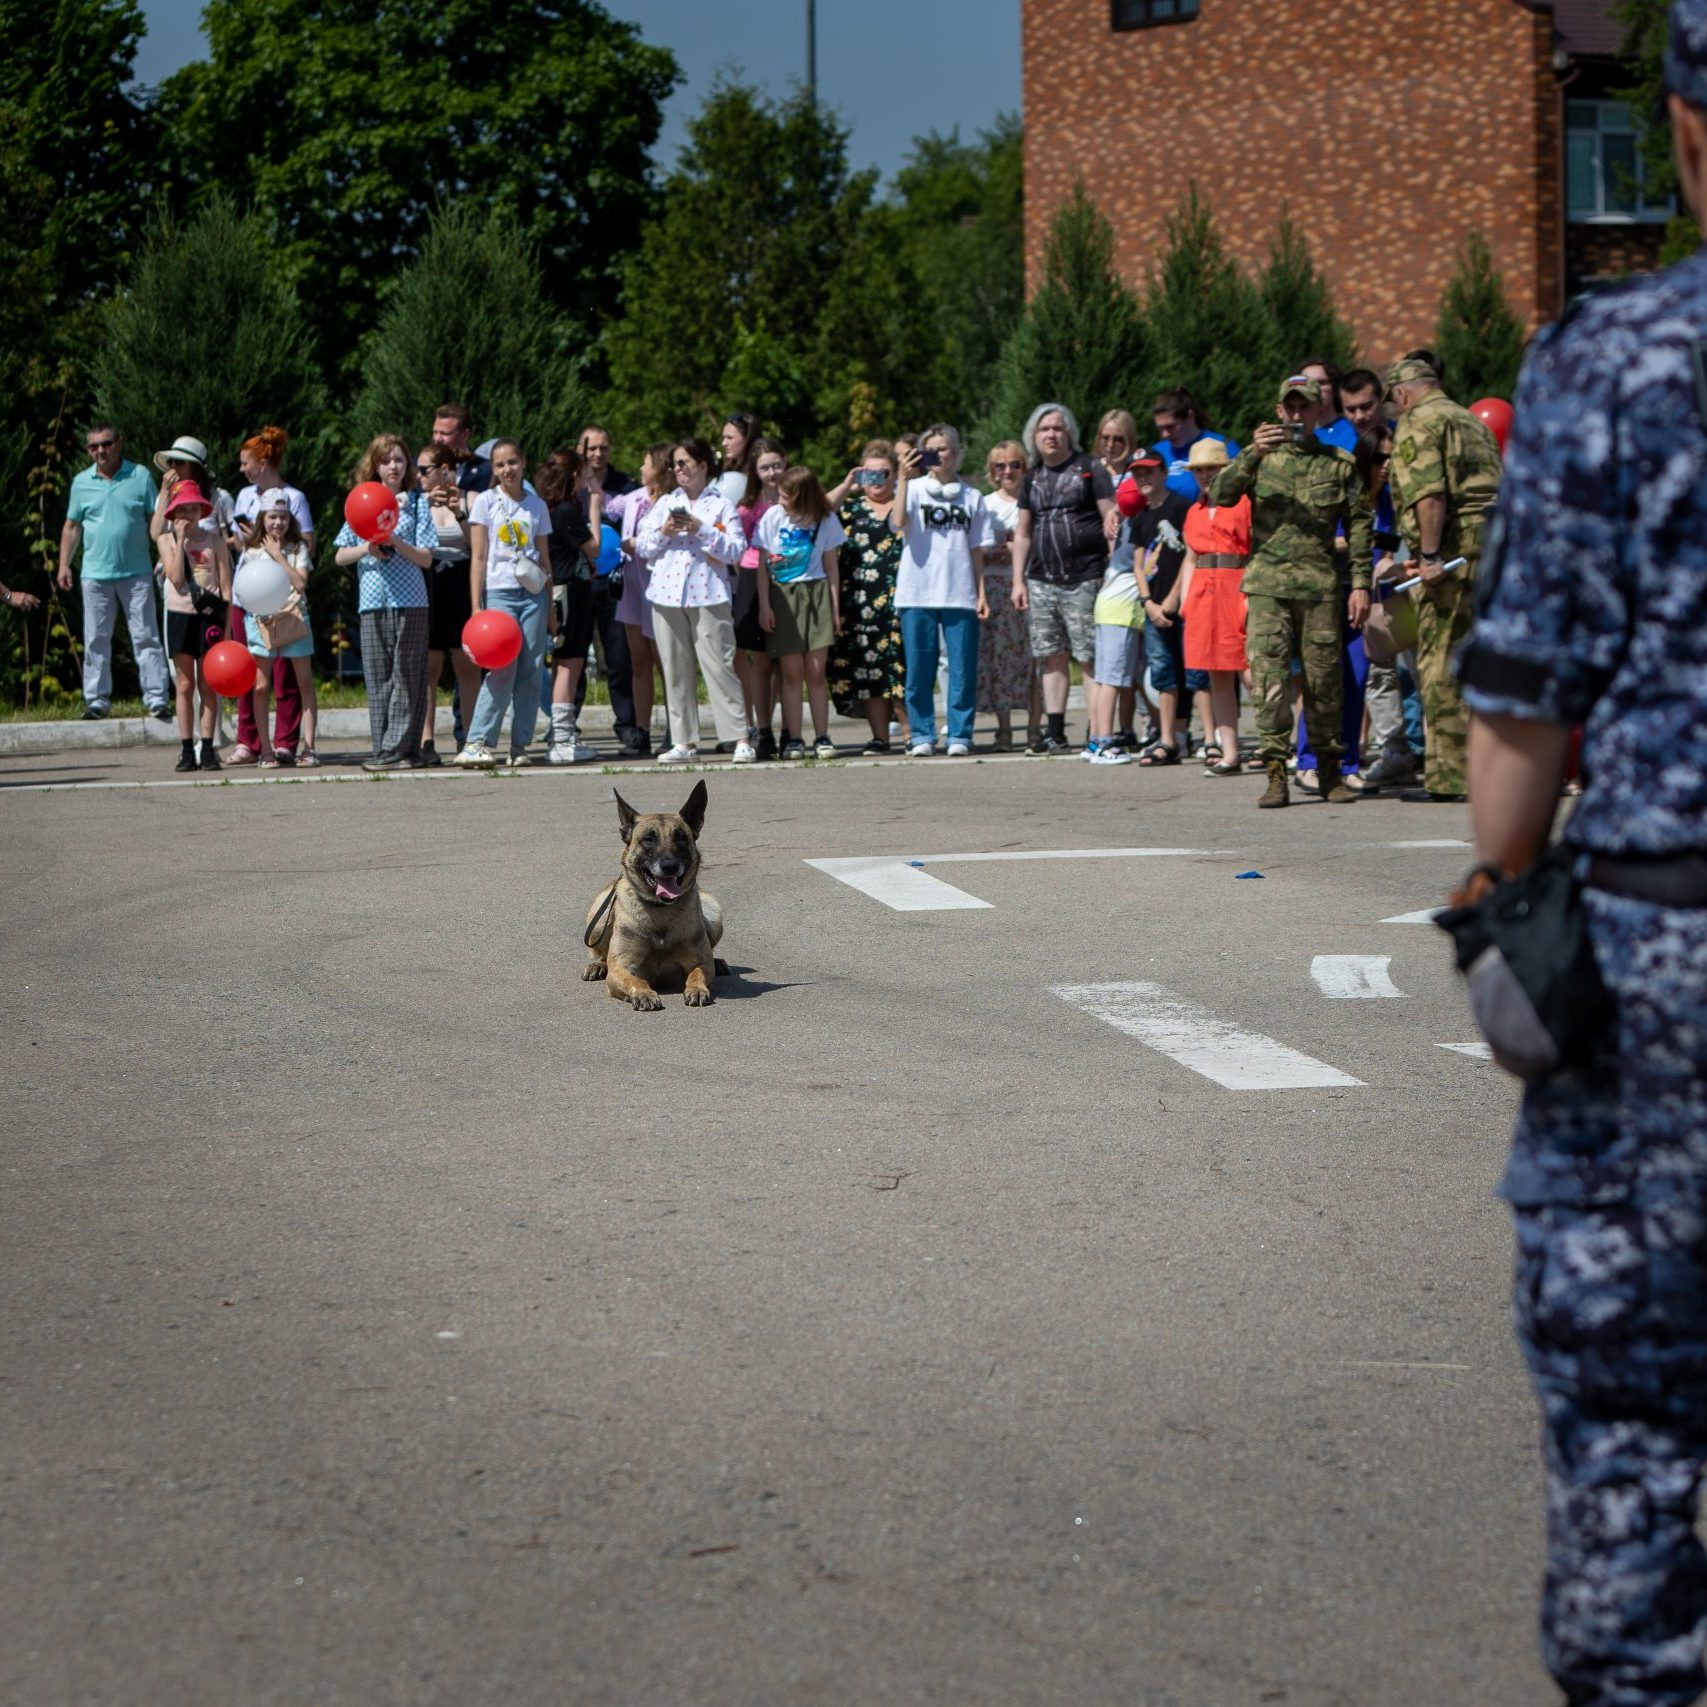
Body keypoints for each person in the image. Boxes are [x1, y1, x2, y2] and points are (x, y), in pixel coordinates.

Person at [1451, 19, 1707, 1695]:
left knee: (1629, 1417)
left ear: (1683, 124)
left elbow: (1516, 736)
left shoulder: (1616, 363)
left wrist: (1497, 879)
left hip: (1670, 948)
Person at [1212, 374, 1373, 807]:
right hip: (1268, 587)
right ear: (1280, 411)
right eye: (1291, 407)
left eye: (1306, 407)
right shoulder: (1261, 458)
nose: (1298, 414)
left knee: (1324, 683)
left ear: (1320, 411)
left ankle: (1328, 770)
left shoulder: (1338, 462)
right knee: (1269, 682)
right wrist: (1250, 453)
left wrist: (1360, 583)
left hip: (1320, 588)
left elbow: (1360, 524)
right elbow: (1220, 495)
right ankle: (1275, 773)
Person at [1386, 352, 1503, 802]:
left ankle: (1451, 778)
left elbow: (1429, 494)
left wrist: (1430, 554)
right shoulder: (1472, 421)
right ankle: (1487, 771)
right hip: (1491, 545)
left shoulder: (1421, 421)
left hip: (1454, 550)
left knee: (1441, 662)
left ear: (1402, 392)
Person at [634, 437, 751, 765]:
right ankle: (683, 740)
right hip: (667, 596)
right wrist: (666, 531)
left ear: (702, 466)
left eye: (684, 462)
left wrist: (701, 528)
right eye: (675, 464)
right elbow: (644, 547)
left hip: (709, 593)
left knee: (720, 666)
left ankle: (739, 736)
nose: (678, 469)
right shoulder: (665, 503)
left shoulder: (720, 504)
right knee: (675, 669)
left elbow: (736, 549)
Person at [1010, 402, 1116, 754]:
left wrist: (1114, 570)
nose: (1051, 435)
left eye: (1057, 428)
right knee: (1051, 656)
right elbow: (1023, 532)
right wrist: (1018, 580)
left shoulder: (1090, 469)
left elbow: (1110, 521)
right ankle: (1054, 731)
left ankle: (1097, 730)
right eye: (1044, 430)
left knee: (1088, 657)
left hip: (1085, 577)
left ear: (1069, 432)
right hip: (1041, 579)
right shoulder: (1031, 478)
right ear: (1033, 437)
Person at [891, 424, 996, 758]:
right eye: (931, 450)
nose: (939, 456)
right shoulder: (913, 488)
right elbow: (896, 523)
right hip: (916, 592)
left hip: (959, 591)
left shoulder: (972, 497)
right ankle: (921, 733)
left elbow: (977, 549)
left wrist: (981, 592)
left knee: (962, 667)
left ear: (957, 453)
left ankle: (960, 734)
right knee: (919, 667)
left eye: (945, 449)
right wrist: (904, 478)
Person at [57, 425, 171, 723]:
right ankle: (96, 701)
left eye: (105, 444)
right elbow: (72, 526)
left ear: (118, 444)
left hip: (137, 573)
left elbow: (155, 519)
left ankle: (157, 699)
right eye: (92, 447)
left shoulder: (140, 475)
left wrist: (165, 554)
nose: (99, 451)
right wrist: (63, 564)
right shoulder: (82, 482)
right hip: (95, 574)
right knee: (95, 639)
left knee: (146, 636)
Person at [334, 434, 435, 772]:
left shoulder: (418, 504)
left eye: (399, 460)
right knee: (378, 677)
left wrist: (395, 540)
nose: (393, 466)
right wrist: (368, 547)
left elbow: (426, 558)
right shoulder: (361, 501)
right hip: (373, 600)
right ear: (375, 465)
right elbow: (339, 555)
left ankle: (402, 748)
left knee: (408, 675)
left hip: (411, 600)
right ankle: (383, 748)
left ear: (407, 465)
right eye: (386, 460)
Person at [457, 439, 553, 768]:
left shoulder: (537, 506)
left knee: (531, 669)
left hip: (533, 594)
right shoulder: (485, 502)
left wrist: (551, 605)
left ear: (523, 463)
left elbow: (544, 558)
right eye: (499, 465)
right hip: (499, 592)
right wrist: (476, 606)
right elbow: (479, 557)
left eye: (512, 462)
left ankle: (520, 745)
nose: (506, 470)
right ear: (493, 469)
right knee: (502, 668)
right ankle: (477, 741)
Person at [228, 426, 315, 765]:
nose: (242, 469)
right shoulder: (244, 496)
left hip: (286, 601)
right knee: (253, 675)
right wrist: (247, 538)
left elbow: (306, 541)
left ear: (262, 463)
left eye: (245, 463)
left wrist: (279, 554)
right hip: (249, 595)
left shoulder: (295, 497)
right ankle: (248, 742)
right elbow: (240, 545)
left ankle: (285, 743)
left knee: (288, 677)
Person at [756, 466, 843, 758]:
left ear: (803, 496)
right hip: (783, 594)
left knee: (816, 672)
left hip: (816, 593)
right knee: (791, 672)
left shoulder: (827, 520)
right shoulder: (772, 518)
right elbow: (762, 567)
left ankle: (822, 737)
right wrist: (765, 605)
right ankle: (794, 738)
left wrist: (835, 609)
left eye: (787, 496)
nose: (781, 500)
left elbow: (832, 567)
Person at [827, 440, 906, 755]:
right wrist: (848, 484)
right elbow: (815, 509)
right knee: (870, 672)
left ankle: (913, 736)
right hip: (858, 603)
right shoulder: (849, 508)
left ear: (894, 474)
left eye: (883, 474)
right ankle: (880, 737)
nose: (877, 481)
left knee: (901, 671)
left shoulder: (904, 503)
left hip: (899, 601)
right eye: (869, 474)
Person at [1178, 437, 1251, 777]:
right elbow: (1191, 557)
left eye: (1212, 468)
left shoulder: (1243, 502)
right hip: (1204, 594)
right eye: (1199, 470)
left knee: (1251, 671)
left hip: (1236, 585)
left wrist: (1251, 594)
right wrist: (1184, 604)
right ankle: (1230, 752)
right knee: (1217, 675)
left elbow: (1255, 549)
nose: (1205, 475)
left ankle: (1279, 745)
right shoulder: (1193, 511)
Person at [1129, 448, 1207, 767]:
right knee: (1163, 672)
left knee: (1195, 671)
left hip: (1184, 603)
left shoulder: (1181, 507)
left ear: (1163, 473)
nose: (1143, 478)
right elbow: (1138, 565)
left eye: (1149, 471)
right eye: (1137, 473)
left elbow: (1191, 554)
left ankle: (1209, 737)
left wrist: (1175, 597)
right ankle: (1167, 739)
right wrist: (1148, 603)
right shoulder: (1140, 517)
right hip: (1154, 606)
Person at [236, 493, 319, 769]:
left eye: (283, 516)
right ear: (263, 519)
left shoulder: (298, 549)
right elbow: (247, 590)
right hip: (263, 623)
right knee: (261, 686)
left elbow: (300, 583)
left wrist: (279, 558)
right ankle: (266, 750)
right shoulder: (251, 552)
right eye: (272, 516)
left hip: (295, 620)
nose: (278, 522)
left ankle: (309, 748)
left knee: (304, 683)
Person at [156, 479, 232, 773]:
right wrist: (178, 541)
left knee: (209, 685)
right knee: (185, 684)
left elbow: (226, 585)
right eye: (181, 509)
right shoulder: (166, 540)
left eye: (192, 508)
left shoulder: (214, 540)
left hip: (210, 616)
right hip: (180, 615)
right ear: (173, 513)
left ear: (201, 510)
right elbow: (175, 579)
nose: (188, 514)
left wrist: (226, 629)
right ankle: (187, 748)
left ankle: (208, 746)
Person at [574, 426, 640, 753]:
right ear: (580, 451)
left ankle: (627, 725)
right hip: (579, 580)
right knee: (573, 656)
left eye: (604, 447)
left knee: (618, 658)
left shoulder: (625, 485)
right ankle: (566, 726)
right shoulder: (570, 486)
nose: (598, 454)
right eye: (592, 449)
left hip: (615, 582)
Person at [608, 442, 675, 758]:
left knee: (666, 661)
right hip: (633, 586)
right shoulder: (634, 498)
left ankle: (676, 726)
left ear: (659, 467)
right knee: (638, 661)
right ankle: (642, 729)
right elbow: (607, 507)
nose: (640, 469)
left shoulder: (672, 502)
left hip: (661, 587)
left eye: (645, 463)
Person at [415, 442, 480, 764]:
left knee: (466, 664)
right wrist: (423, 503)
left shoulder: (470, 498)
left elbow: (478, 545)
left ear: (444, 470)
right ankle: (426, 739)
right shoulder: (417, 502)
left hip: (461, 582)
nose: (419, 476)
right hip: (428, 583)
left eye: (425, 470)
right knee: (429, 666)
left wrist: (459, 512)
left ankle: (469, 738)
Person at [977, 439, 1039, 753]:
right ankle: (1004, 729)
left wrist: (1017, 548)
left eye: (1015, 464)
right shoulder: (986, 503)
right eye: (1000, 466)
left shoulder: (1033, 499)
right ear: (992, 470)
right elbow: (975, 550)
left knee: (1033, 659)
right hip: (995, 586)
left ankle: (1034, 728)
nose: (1008, 471)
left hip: (1029, 584)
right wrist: (998, 552)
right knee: (998, 660)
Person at [539, 448, 599, 765]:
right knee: (569, 663)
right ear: (573, 475)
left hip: (564, 591)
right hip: (569, 591)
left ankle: (561, 734)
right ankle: (562, 738)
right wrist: (596, 507)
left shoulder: (549, 508)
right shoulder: (567, 510)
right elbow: (596, 548)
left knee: (565, 663)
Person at [734, 437, 787, 757]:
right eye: (765, 467)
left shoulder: (794, 496)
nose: (773, 472)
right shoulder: (747, 506)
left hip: (791, 577)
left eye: (777, 464)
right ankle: (762, 729)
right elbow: (739, 547)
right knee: (761, 661)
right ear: (755, 471)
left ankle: (785, 729)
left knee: (786, 662)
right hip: (755, 577)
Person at [1152, 388, 1241, 500]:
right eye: (1160, 428)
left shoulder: (1224, 446)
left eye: (1171, 426)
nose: (1165, 434)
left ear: (1190, 416)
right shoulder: (1156, 453)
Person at [432, 404, 491, 496]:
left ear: (465, 435)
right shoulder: (423, 467)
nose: (437, 438)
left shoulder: (486, 470)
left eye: (444, 433)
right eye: (435, 432)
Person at [1299, 357, 1357, 451]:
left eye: (1321, 383)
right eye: (1307, 384)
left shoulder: (1355, 429)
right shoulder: (1295, 434)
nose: (1315, 389)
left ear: (1335, 387)